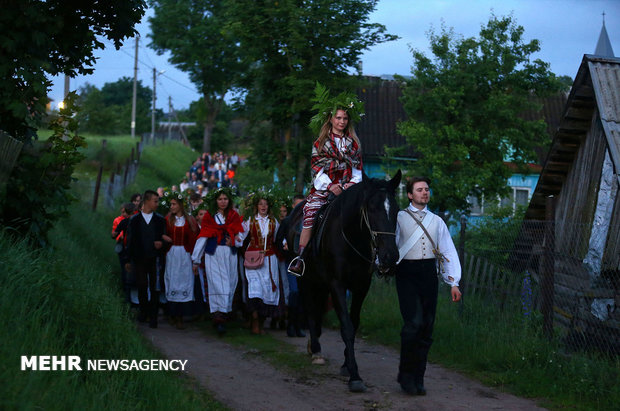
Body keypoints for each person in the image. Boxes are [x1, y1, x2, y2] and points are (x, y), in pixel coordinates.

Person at [395, 177, 462, 396]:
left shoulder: (437, 221)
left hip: (428, 275)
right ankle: (405, 377)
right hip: (406, 273)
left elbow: (447, 251)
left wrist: (453, 282)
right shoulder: (399, 218)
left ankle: (418, 378)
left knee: (426, 327)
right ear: (410, 194)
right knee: (413, 324)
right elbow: (389, 244)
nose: (425, 192)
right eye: (419, 190)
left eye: (426, 189)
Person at [288, 84, 364, 275]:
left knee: (368, 214)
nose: (342, 121)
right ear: (330, 119)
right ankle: (301, 258)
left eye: (345, 118)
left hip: (348, 188)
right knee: (311, 212)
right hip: (324, 188)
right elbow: (316, 170)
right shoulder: (320, 143)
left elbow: (357, 170)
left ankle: (372, 256)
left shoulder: (353, 144)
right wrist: (331, 186)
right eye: (338, 117)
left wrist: (349, 185)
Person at [192, 187, 243, 335]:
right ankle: (218, 317)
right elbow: (203, 237)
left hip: (230, 255)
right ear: (216, 201)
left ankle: (224, 314)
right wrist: (196, 260)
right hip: (214, 255)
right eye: (220, 199)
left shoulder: (233, 215)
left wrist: (234, 243)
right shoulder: (209, 217)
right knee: (218, 285)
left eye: (225, 199)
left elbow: (240, 236)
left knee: (230, 283)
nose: (222, 202)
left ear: (229, 200)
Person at [237, 193, 280, 335]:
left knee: (267, 290)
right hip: (253, 260)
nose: (263, 206)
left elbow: (279, 239)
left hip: (269, 259)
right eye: (261, 204)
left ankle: (261, 322)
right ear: (256, 206)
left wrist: (285, 244)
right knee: (255, 289)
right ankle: (254, 320)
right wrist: (233, 240)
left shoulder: (274, 221)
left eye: (266, 204)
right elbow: (240, 236)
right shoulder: (250, 221)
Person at [125, 190, 167, 328]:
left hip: (155, 258)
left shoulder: (160, 220)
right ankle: (144, 311)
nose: (157, 204)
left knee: (155, 286)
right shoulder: (135, 220)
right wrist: (128, 259)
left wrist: (161, 243)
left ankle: (153, 316)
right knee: (142, 285)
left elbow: (164, 238)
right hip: (140, 258)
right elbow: (130, 240)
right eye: (155, 201)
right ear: (147, 201)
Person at [162, 194, 199, 330]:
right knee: (172, 280)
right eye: (171, 204)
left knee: (184, 281)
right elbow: (160, 233)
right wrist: (163, 237)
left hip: (185, 254)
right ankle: (172, 314)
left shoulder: (189, 220)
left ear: (180, 205)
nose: (172, 207)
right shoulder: (167, 220)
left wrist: (195, 258)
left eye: (174, 204)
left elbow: (194, 239)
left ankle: (180, 317)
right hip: (172, 254)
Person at [112, 202, 135, 303]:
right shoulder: (120, 221)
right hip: (125, 247)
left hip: (131, 249)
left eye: (123, 212)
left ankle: (130, 296)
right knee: (126, 270)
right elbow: (114, 233)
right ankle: (128, 295)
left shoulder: (129, 221)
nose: (122, 214)